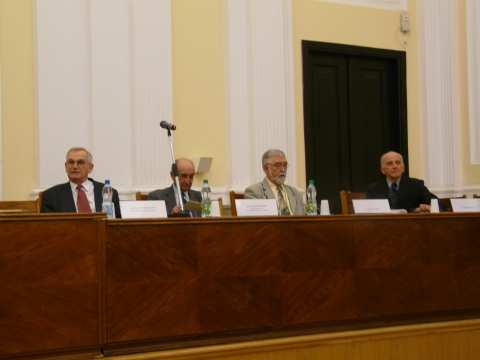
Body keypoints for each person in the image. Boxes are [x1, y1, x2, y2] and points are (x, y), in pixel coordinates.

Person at [41, 147, 122, 218]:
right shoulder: (50, 196)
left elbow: (117, 225)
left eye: (80, 162)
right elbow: (49, 228)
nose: (75, 166)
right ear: (66, 167)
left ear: (90, 167)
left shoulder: (109, 192)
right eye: (71, 162)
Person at [366, 151, 436, 213]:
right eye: (390, 163)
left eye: (398, 163)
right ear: (382, 170)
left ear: (403, 168)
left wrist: (426, 208)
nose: (395, 166)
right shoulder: (374, 189)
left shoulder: (416, 185)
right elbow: (368, 211)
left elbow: (437, 203)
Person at [244, 149, 304, 215]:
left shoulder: (296, 193)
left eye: (285, 165)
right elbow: (255, 223)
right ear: (266, 168)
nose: (283, 169)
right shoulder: (253, 192)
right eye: (277, 165)